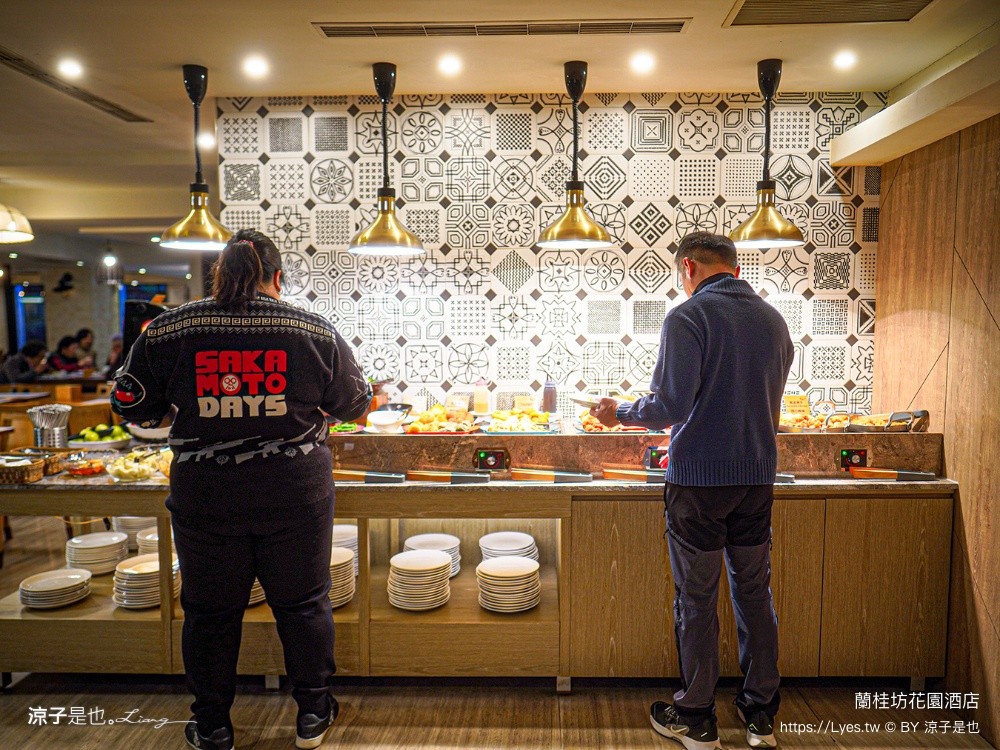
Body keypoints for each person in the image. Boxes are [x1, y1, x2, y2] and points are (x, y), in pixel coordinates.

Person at [111, 229, 371, 750]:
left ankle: (212, 724)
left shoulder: (168, 329)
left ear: (218, 277)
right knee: (303, 604)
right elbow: (355, 404)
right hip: (295, 491)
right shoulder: (311, 328)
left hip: (206, 496)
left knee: (209, 610)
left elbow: (128, 404)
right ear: (278, 278)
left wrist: (177, 405)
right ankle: (313, 714)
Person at [591, 232, 793, 750]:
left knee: (698, 597)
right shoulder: (773, 319)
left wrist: (620, 412)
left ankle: (697, 715)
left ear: (689, 267)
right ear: (733, 266)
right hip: (755, 480)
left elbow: (670, 406)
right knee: (753, 591)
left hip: (699, 484)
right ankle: (760, 714)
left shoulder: (688, 317)